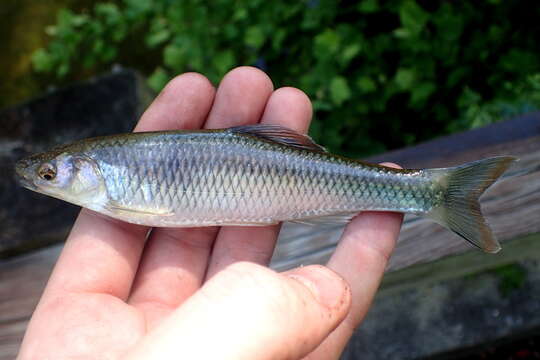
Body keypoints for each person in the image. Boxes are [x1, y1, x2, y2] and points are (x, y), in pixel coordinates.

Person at [17, 67, 403, 360]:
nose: (44, 182)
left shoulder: (117, 198)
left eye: (48, 176)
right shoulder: (110, 189)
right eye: (48, 176)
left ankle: (421, 193)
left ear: (89, 168)